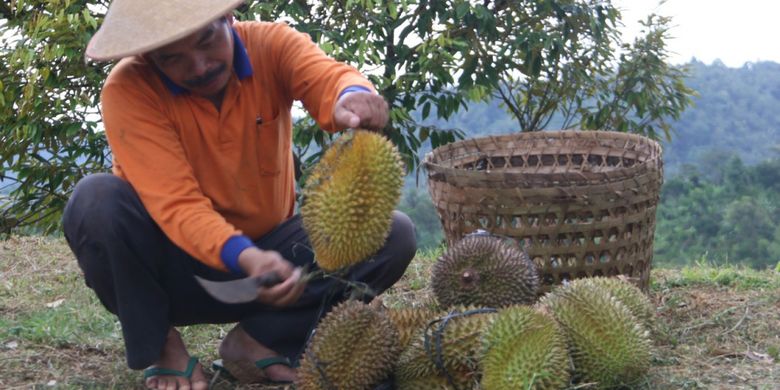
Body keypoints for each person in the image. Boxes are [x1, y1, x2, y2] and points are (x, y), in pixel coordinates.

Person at [62, 0, 417, 388]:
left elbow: (325, 77)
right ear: (148, 58)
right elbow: (176, 204)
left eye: (207, 39)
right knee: (95, 200)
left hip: (275, 270)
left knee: (393, 234)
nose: (199, 66)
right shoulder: (128, 90)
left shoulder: (272, 44)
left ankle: (258, 340)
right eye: (172, 58)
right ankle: (163, 347)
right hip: (172, 273)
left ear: (229, 19)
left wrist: (350, 96)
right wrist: (243, 255)